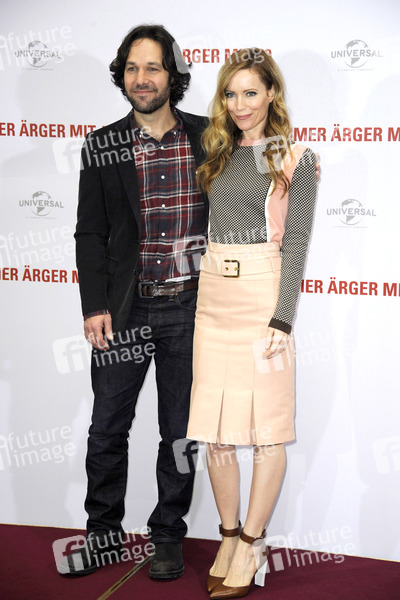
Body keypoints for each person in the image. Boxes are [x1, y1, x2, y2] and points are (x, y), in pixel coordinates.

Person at [58, 24, 208, 579]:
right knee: (107, 428)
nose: (141, 79)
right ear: (121, 76)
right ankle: (103, 534)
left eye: (152, 68)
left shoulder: (208, 136)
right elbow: (89, 233)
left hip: (190, 310)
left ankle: (167, 535)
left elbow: (247, 200)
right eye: (131, 68)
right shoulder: (102, 144)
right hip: (124, 311)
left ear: (173, 75)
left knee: (181, 434)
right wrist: (93, 305)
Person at [186, 48, 317, 599]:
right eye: (231, 94)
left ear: (271, 94)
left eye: (251, 93)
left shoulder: (292, 157)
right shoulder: (216, 153)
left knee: (266, 430)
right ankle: (227, 535)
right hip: (213, 297)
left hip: (263, 296)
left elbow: (296, 244)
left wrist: (282, 318)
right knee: (215, 429)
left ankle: (253, 542)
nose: (240, 105)